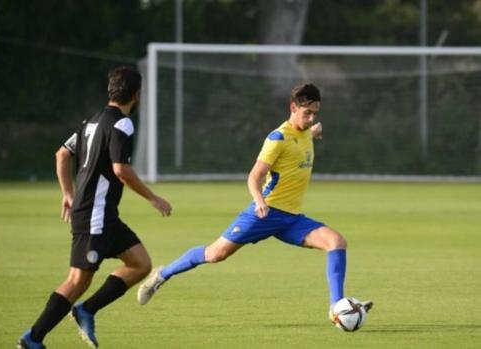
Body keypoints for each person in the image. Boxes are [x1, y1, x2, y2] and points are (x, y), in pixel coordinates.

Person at [137, 82, 372, 322]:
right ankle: (162, 275)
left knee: (336, 242)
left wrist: (313, 132)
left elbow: (302, 139)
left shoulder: (305, 133)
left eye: (315, 114)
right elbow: (254, 176)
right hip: (265, 213)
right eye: (307, 113)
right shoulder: (277, 138)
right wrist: (259, 201)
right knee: (215, 254)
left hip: (291, 219)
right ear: (293, 107)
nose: (311, 118)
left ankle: (336, 308)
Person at [18, 66, 172, 349]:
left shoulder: (91, 121)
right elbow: (121, 170)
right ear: (137, 95)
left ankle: (85, 310)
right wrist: (152, 197)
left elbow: (62, 154)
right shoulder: (122, 124)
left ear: (111, 90)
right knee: (77, 281)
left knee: (140, 264)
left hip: (101, 214)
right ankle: (33, 338)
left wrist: (68, 193)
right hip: (95, 215)